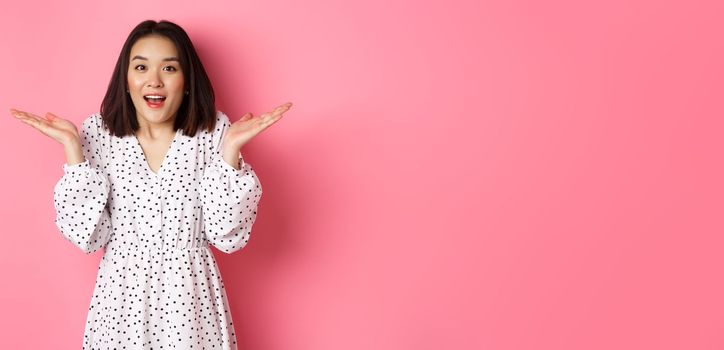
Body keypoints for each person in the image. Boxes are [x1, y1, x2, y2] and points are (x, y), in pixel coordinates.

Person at [10, 19, 291, 349]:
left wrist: (231, 151)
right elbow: (89, 236)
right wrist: (74, 152)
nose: (153, 80)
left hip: (191, 303)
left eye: (169, 68)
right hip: (120, 304)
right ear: (126, 79)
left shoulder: (213, 133)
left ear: (186, 80)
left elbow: (225, 235)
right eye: (141, 67)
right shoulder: (99, 134)